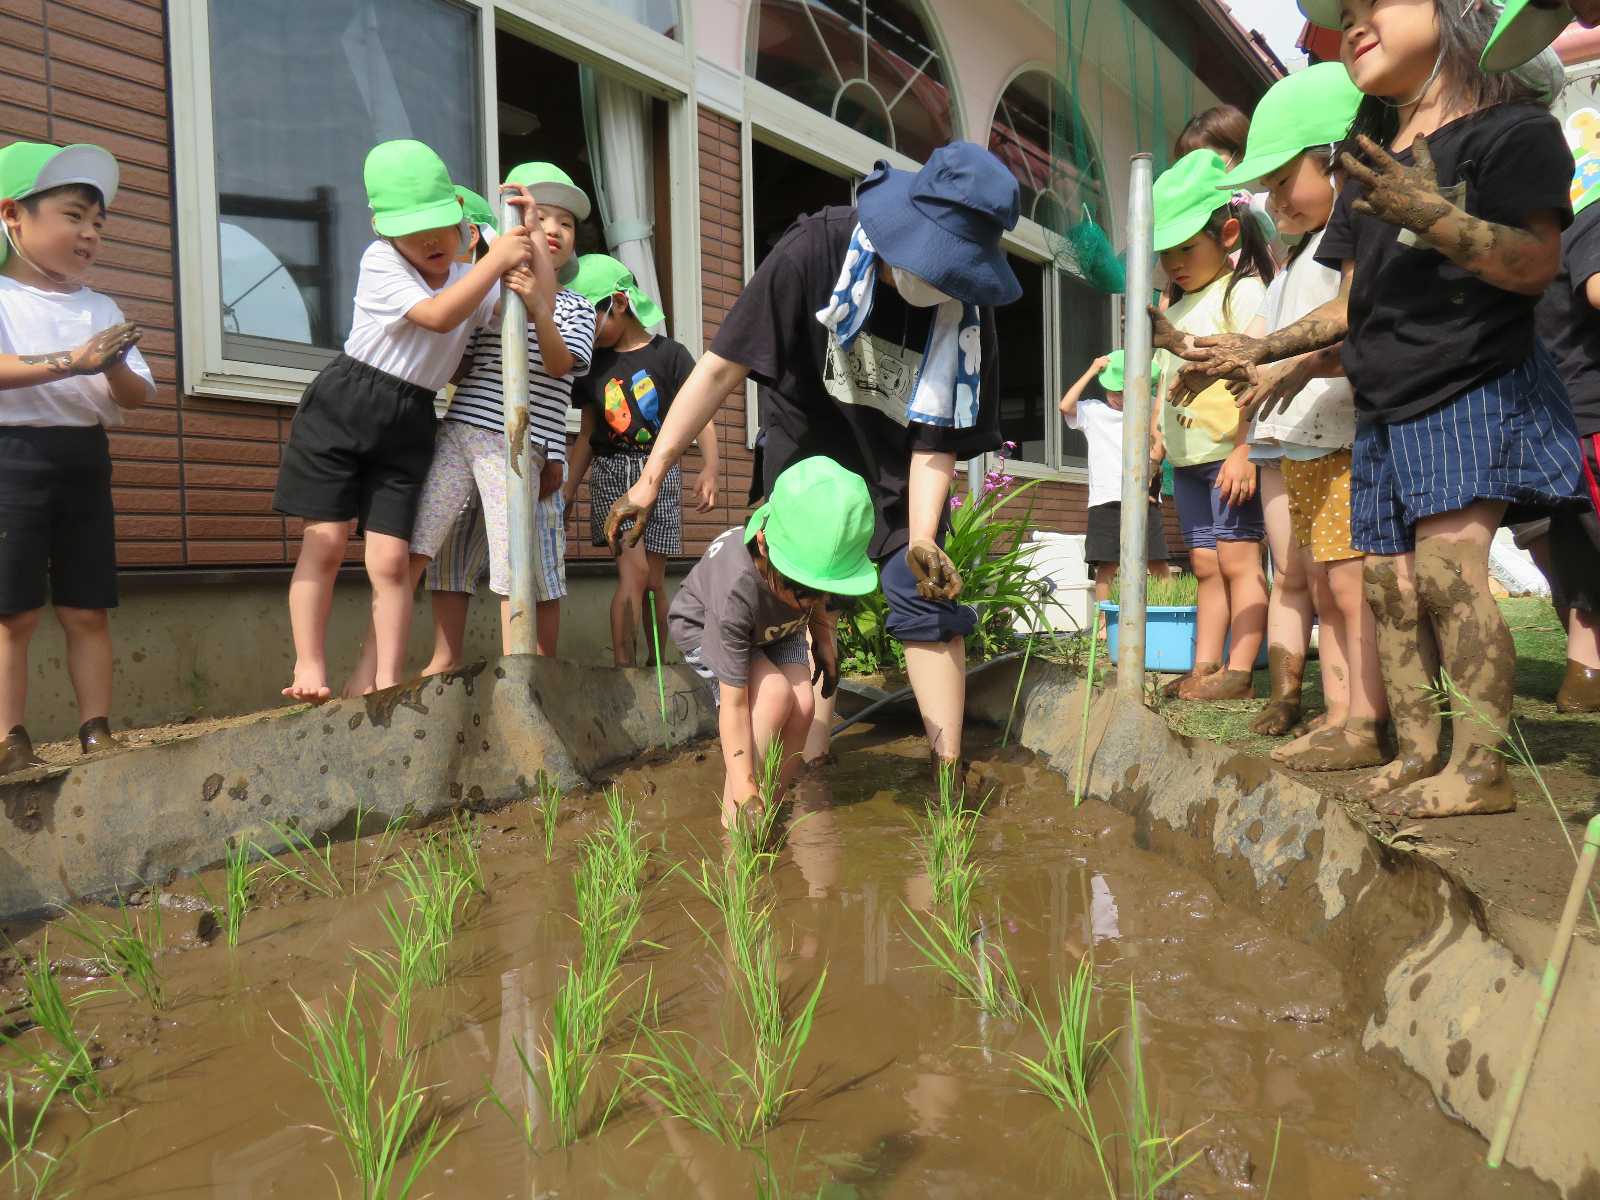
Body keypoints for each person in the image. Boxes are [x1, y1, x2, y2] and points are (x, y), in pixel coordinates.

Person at [1186, 0, 1582, 817]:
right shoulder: (1373, 164)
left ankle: (1480, 770)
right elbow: (1348, 306)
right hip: (1386, 401)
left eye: (1377, 5)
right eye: (1348, 14)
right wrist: (1266, 348)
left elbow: (1537, 262)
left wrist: (1436, 217)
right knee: (1387, 585)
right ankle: (1419, 752)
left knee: (1444, 572)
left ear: (1457, 12)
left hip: (1470, 380)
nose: (1356, 23)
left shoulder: (1512, 132)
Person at [602, 142, 1020, 777]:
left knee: (921, 596)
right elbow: (719, 370)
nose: (937, 284)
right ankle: (801, 767)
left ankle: (949, 772)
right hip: (806, 451)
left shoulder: (964, 312)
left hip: (896, 460)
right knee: (805, 591)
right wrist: (650, 477)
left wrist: (925, 540)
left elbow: (934, 443)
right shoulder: (815, 251)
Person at [272, 140, 530, 702]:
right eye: (415, 230)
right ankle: (309, 666)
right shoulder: (380, 261)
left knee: (390, 558)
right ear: (382, 229)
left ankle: (387, 680)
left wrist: (518, 244)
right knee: (327, 540)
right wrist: (492, 260)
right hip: (345, 405)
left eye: (443, 224)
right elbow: (438, 317)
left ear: (461, 216)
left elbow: (502, 309)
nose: (433, 241)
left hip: (411, 416)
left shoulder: (467, 271)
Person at [336, 161, 589, 698]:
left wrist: (540, 305)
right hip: (461, 431)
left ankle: (520, 681)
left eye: (563, 223)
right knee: (421, 549)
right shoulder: (487, 294)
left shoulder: (575, 305)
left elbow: (561, 364)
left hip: (517, 445)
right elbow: (458, 360)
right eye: (536, 218)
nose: (550, 229)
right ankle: (373, 678)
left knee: (513, 558)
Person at [1221, 61, 1389, 769]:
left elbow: (1346, 336)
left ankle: (1366, 718)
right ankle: (1340, 708)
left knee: (1349, 584)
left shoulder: (1344, 251)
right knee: (1323, 580)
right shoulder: (1298, 258)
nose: (1274, 199)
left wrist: (1280, 365)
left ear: (1337, 161)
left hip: (1345, 432)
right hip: (1306, 441)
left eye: (1285, 181)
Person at [0, 140, 154, 774]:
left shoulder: (101, 307)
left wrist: (113, 363)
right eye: (73, 216)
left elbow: (139, 394)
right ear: (13, 215)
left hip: (85, 459)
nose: (90, 234)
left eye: (98, 222)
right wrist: (73, 361)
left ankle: (97, 730)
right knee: (12, 612)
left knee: (87, 606)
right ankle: (10, 739)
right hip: (12, 458)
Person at [668, 456, 877, 829]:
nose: (812, 602)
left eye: (821, 592)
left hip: (778, 627)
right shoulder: (735, 587)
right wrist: (746, 789)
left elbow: (813, 603)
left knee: (803, 704)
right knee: (774, 696)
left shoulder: (803, 590)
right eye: (802, 589)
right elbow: (733, 707)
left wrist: (824, 643)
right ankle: (738, 815)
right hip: (709, 627)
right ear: (763, 545)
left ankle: (769, 811)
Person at [1149, 149, 1275, 701]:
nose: (1175, 261)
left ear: (1226, 234)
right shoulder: (1173, 311)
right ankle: (1205, 666)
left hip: (1229, 454)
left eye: (1186, 247)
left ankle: (1241, 672)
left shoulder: (1241, 292)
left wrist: (1246, 448)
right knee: (1203, 563)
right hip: (1188, 460)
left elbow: (1258, 370)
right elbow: (1163, 381)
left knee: (1238, 559)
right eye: (1166, 252)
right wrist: (1155, 439)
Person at [566, 253, 718, 666]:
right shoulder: (593, 367)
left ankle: (655, 670)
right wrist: (566, 493)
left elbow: (698, 413)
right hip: (614, 470)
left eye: (588, 319)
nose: (584, 332)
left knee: (653, 582)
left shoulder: (670, 355)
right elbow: (585, 437)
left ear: (618, 303)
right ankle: (624, 671)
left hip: (659, 472)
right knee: (631, 577)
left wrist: (710, 467)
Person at [1534, 178, 1600, 712]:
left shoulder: (1540, 235)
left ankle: (1584, 678)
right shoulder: (1594, 214)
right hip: (1588, 412)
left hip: (1558, 417)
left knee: (1576, 551)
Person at [1057, 349, 1171, 631]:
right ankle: (1105, 627)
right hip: (1105, 499)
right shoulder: (1093, 411)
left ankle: (1167, 617)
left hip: (1145, 498)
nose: (1116, 398)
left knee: (1157, 561)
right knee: (1106, 566)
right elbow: (1065, 406)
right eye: (1112, 390)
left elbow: (1162, 444)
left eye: (1122, 392)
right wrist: (1092, 369)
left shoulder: (1149, 411)